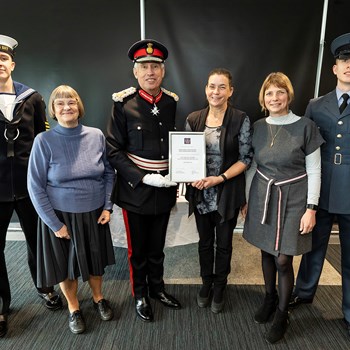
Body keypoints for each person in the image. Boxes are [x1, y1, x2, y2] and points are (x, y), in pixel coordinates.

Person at [243, 72, 324, 344]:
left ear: (288, 95)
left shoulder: (306, 126)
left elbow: (314, 170)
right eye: (269, 93)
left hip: (295, 198)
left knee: (283, 258)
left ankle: (281, 313)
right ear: (263, 98)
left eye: (280, 92)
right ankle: (269, 297)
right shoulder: (257, 126)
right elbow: (252, 166)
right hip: (262, 194)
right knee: (266, 249)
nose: (274, 98)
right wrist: (246, 199)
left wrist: (311, 208)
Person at [27, 85, 115, 334]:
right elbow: (35, 187)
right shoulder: (43, 141)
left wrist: (108, 206)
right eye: (60, 103)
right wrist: (55, 224)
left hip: (95, 212)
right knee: (67, 267)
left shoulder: (96, 135)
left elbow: (109, 173)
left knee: (96, 263)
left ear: (79, 106)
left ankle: (99, 298)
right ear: (53, 110)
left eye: (72, 102)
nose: (67, 107)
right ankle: (74, 308)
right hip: (61, 216)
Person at [106, 39, 181, 322]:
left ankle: (157, 289)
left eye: (155, 66)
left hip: (165, 187)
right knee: (137, 249)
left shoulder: (171, 103)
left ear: (163, 72)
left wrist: (177, 173)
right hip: (135, 189)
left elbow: (177, 147)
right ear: (135, 72)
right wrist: (142, 177)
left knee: (157, 246)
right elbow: (113, 150)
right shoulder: (123, 104)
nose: (150, 71)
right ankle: (140, 294)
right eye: (144, 66)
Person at [0, 34, 62, 338]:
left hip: (29, 186)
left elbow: (44, 139)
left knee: (38, 241)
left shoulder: (33, 98)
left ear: (12, 63)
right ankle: (1, 305)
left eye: (3, 58)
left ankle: (45, 287)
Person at [290, 32, 350, 337]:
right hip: (322, 189)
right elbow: (305, 151)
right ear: (335, 68)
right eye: (344, 60)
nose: (349, 65)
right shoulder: (315, 105)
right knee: (313, 247)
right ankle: (304, 291)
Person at [185, 68, 252, 313]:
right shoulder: (193, 119)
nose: (216, 91)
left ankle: (221, 285)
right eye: (212, 86)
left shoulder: (240, 118)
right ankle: (206, 282)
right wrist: (190, 177)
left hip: (227, 191)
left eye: (222, 87)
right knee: (204, 242)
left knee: (224, 244)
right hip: (201, 192)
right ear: (206, 89)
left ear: (230, 91)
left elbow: (246, 158)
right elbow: (186, 157)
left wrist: (219, 178)